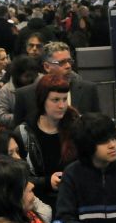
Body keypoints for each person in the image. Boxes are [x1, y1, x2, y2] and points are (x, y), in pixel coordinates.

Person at [14, 73, 80, 208]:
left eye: (64, 99)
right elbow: (17, 176)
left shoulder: (77, 127)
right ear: (42, 100)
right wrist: (47, 182)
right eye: (55, 100)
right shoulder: (24, 132)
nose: (62, 105)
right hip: (38, 202)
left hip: (73, 200)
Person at [12, 41, 99, 126]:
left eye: (69, 61)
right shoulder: (24, 95)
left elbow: (97, 127)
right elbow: (18, 134)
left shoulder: (89, 89)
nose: (68, 66)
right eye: (62, 62)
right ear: (47, 67)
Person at [0, 55, 43, 129]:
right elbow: (1, 116)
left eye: (33, 76)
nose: (31, 79)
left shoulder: (41, 82)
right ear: (17, 76)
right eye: (27, 76)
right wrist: (21, 116)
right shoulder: (6, 90)